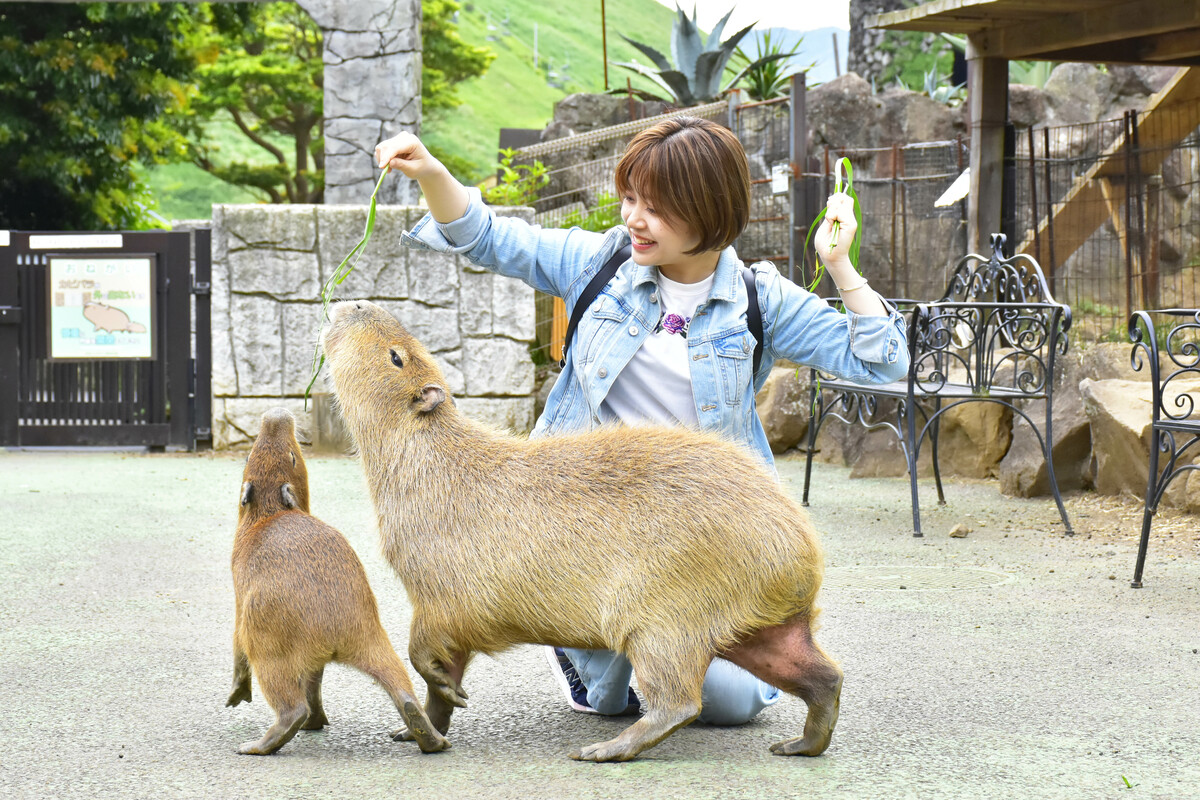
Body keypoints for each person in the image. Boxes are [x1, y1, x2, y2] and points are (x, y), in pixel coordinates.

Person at [375, 116, 909, 726]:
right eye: (630, 198)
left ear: (709, 209)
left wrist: (839, 264)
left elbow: (884, 361)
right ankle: (587, 643)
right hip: (584, 524)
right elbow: (485, 235)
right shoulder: (600, 264)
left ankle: (657, 644)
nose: (633, 218)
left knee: (730, 706)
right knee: (606, 699)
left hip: (698, 531)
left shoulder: (760, 299)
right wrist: (432, 173)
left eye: (654, 207)